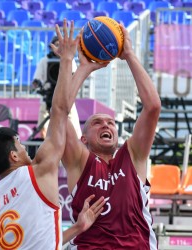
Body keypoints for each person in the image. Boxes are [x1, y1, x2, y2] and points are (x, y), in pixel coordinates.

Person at [0, 19, 105, 249]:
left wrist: (77, 228)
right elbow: (60, 111)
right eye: (20, 145)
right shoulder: (40, 170)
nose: (26, 147)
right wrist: (68, 61)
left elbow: (35, 241)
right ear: (14, 156)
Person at [62, 24, 161, 249]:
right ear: (83, 139)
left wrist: (129, 55)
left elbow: (153, 106)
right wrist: (83, 69)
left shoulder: (132, 155)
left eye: (110, 123)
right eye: (97, 122)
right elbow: (61, 112)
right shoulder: (79, 161)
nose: (106, 125)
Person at [32, 35, 82, 139]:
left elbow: (74, 76)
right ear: (51, 46)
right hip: (48, 96)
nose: (59, 47)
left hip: (66, 96)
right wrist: (38, 86)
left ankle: (76, 144)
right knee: (43, 123)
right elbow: (36, 80)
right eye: (57, 44)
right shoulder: (44, 61)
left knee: (74, 125)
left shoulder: (69, 60)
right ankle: (44, 144)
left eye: (61, 45)